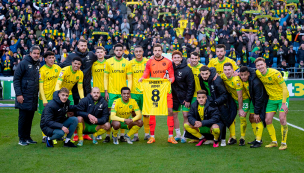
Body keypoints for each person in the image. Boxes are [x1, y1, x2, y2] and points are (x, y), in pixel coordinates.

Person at [139, 43, 177, 144]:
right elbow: (146, 73)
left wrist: (170, 80)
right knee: (152, 112)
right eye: (155, 50)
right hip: (154, 90)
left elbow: (172, 76)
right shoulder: (149, 62)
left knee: (170, 111)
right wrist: (142, 78)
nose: (157, 52)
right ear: (153, 51)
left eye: (159, 50)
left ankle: (170, 136)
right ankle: (152, 136)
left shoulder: (168, 62)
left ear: (161, 51)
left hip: (166, 90)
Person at [255, 57, 289, 150]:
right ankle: (274, 142)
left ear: (265, 64)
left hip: (282, 99)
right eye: (258, 65)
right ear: (256, 67)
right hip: (271, 99)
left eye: (261, 64)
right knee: (267, 120)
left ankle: (284, 143)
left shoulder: (275, 73)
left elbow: (284, 88)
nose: (260, 67)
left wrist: (283, 103)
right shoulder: (258, 73)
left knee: (282, 119)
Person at [199, 66, 237, 146]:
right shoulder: (201, 78)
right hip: (211, 102)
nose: (204, 76)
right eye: (203, 74)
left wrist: (216, 102)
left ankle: (230, 137)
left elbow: (224, 95)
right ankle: (212, 138)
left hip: (222, 102)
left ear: (209, 73)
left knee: (226, 119)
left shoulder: (216, 80)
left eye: (206, 74)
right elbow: (205, 91)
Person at [103, 43, 132, 143]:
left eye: (121, 50)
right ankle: (108, 135)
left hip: (123, 93)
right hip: (111, 92)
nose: (119, 52)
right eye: (117, 50)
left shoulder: (127, 63)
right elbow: (105, 77)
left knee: (123, 114)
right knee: (110, 114)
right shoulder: (108, 62)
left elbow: (130, 79)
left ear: (123, 51)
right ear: (114, 51)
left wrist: (129, 91)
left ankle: (122, 135)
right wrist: (106, 90)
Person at [13, 45, 41, 146]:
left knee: (30, 118)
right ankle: (21, 139)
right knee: (23, 118)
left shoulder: (38, 64)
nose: (36, 55)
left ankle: (27, 137)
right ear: (30, 53)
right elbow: (16, 79)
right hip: (24, 96)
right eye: (34, 53)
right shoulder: (23, 63)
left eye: (38, 53)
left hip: (33, 97)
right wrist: (19, 94)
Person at [220, 62, 250, 146]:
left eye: (229, 70)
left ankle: (242, 138)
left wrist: (240, 109)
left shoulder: (236, 80)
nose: (227, 72)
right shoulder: (222, 76)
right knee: (231, 117)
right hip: (233, 100)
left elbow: (240, 96)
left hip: (244, 100)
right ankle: (233, 137)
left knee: (242, 117)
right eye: (225, 70)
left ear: (233, 70)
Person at [239, 66, 269, 148]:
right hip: (253, 100)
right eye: (242, 75)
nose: (243, 77)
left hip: (260, 101)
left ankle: (258, 141)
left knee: (257, 118)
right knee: (251, 118)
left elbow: (259, 98)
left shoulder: (255, 82)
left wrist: (257, 112)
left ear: (248, 74)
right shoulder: (243, 79)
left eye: (245, 75)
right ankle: (257, 138)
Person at [126, 45, 150, 141]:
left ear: (143, 52)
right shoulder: (130, 63)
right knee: (134, 114)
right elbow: (129, 78)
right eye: (137, 51)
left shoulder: (148, 62)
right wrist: (129, 92)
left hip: (145, 93)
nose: (138, 53)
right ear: (134, 52)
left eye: (140, 51)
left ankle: (147, 134)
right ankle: (136, 135)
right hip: (134, 93)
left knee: (146, 114)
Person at [171, 50, 195, 143]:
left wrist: (188, 99)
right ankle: (178, 134)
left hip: (185, 96)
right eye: (175, 58)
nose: (176, 59)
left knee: (185, 115)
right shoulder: (170, 67)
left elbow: (191, 85)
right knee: (174, 115)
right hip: (174, 96)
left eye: (178, 57)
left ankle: (185, 135)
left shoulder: (187, 69)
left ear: (181, 58)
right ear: (172, 59)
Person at [39, 51, 62, 144]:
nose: (52, 59)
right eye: (49, 58)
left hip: (55, 98)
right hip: (44, 97)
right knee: (44, 118)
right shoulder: (42, 70)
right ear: (45, 59)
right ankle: (45, 136)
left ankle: (57, 134)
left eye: (53, 57)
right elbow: (40, 86)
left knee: (56, 117)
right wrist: (44, 99)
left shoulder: (58, 68)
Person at [91, 46, 107, 140]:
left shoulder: (108, 63)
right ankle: (97, 132)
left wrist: (107, 90)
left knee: (106, 113)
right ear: (95, 53)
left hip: (106, 91)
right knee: (96, 113)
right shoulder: (93, 64)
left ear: (104, 53)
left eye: (101, 52)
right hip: (96, 92)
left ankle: (108, 133)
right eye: (98, 52)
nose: (100, 53)